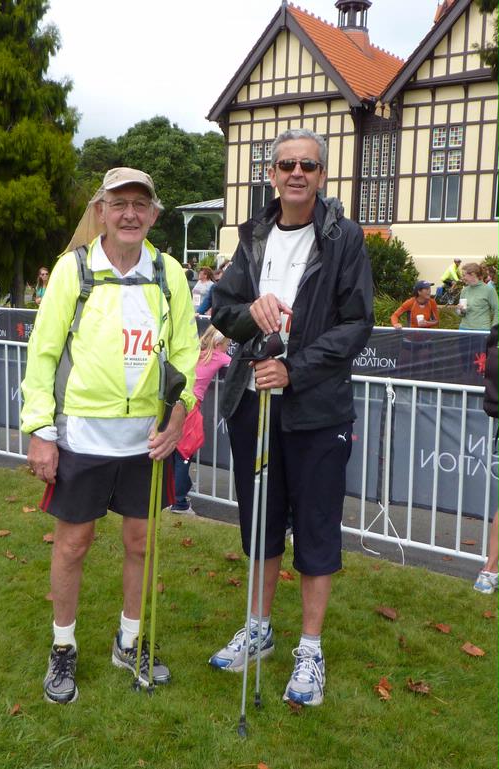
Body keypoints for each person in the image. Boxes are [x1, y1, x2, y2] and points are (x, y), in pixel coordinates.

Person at [21, 167, 198, 704]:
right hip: (81, 438)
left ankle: (130, 640)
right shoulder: (72, 272)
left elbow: (187, 353)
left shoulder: (170, 274)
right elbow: (43, 353)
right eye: (118, 203)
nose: (128, 214)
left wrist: (176, 417)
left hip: (145, 441)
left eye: (139, 205)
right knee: (73, 544)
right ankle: (63, 647)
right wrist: (40, 431)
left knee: (140, 544)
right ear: (101, 210)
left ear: (153, 214)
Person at [209, 128, 373, 706]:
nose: (296, 173)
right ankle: (259, 628)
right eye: (286, 164)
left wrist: (296, 369)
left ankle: (310, 648)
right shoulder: (252, 235)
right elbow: (223, 312)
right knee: (260, 521)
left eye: (308, 164)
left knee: (317, 528)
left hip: (317, 406)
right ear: (271, 174)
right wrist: (251, 316)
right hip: (251, 403)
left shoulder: (344, 238)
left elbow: (357, 323)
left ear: (322, 175)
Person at [168, 325, 231, 514]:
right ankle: (178, 502)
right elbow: (235, 363)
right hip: (190, 406)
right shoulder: (219, 357)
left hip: (174, 402)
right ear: (219, 343)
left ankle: (176, 494)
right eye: (227, 344)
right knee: (184, 454)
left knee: (175, 452)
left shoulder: (196, 352)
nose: (228, 347)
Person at [456, 262, 499, 331]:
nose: (462, 278)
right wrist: (460, 310)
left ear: (473, 275)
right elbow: (461, 314)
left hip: (481, 330)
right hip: (463, 329)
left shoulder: (489, 290)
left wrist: (494, 329)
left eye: (464, 275)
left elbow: (497, 310)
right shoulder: (464, 290)